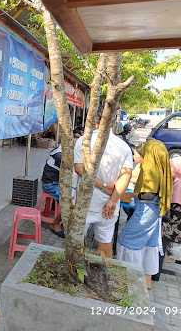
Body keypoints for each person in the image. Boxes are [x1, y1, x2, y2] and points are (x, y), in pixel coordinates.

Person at [74, 110, 133, 258]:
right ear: (113, 123)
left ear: (96, 121)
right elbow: (126, 175)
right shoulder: (123, 146)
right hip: (109, 206)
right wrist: (113, 200)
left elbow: (79, 168)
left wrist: (102, 186)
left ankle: (75, 275)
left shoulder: (84, 141)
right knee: (105, 244)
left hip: (85, 202)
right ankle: (104, 276)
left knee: (76, 244)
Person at [117, 139, 172, 288]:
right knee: (149, 244)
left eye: (136, 154)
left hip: (147, 210)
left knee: (127, 240)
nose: (135, 157)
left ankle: (129, 281)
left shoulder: (150, 173)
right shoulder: (157, 171)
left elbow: (147, 194)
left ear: (149, 156)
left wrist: (126, 195)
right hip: (154, 211)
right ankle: (147, 283)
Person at [41, 144, 64, 237]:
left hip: (54, 182)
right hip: (50, 185)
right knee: (69, 202)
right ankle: (56, 224)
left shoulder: (60, 151)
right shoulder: (60, 155)